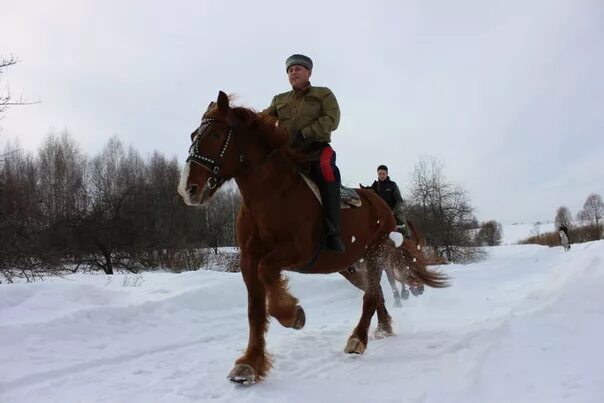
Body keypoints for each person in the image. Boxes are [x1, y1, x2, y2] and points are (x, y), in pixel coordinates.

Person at [262, 54, 345, 252]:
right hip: (288, 152)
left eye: (298, 69)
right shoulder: (279, 99)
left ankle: (333, 232)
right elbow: (262, 118)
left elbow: (332, 118)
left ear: (309, 72)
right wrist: (235, 117)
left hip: (317, 149)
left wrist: (306, 133)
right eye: (290, 70)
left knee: (326, 169)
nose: (293, 72)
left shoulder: (323, 94)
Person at [362, 165, 411, 238]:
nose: (381, 176)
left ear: (387, 174)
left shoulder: (392, 185)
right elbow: (370, 193)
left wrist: (392, 211)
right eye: (379, 174)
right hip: (380, 212)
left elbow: (399, 200)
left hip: (393, 211)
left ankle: (407, 238)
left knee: (403, 225)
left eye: (383, 174)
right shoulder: (375, 185)